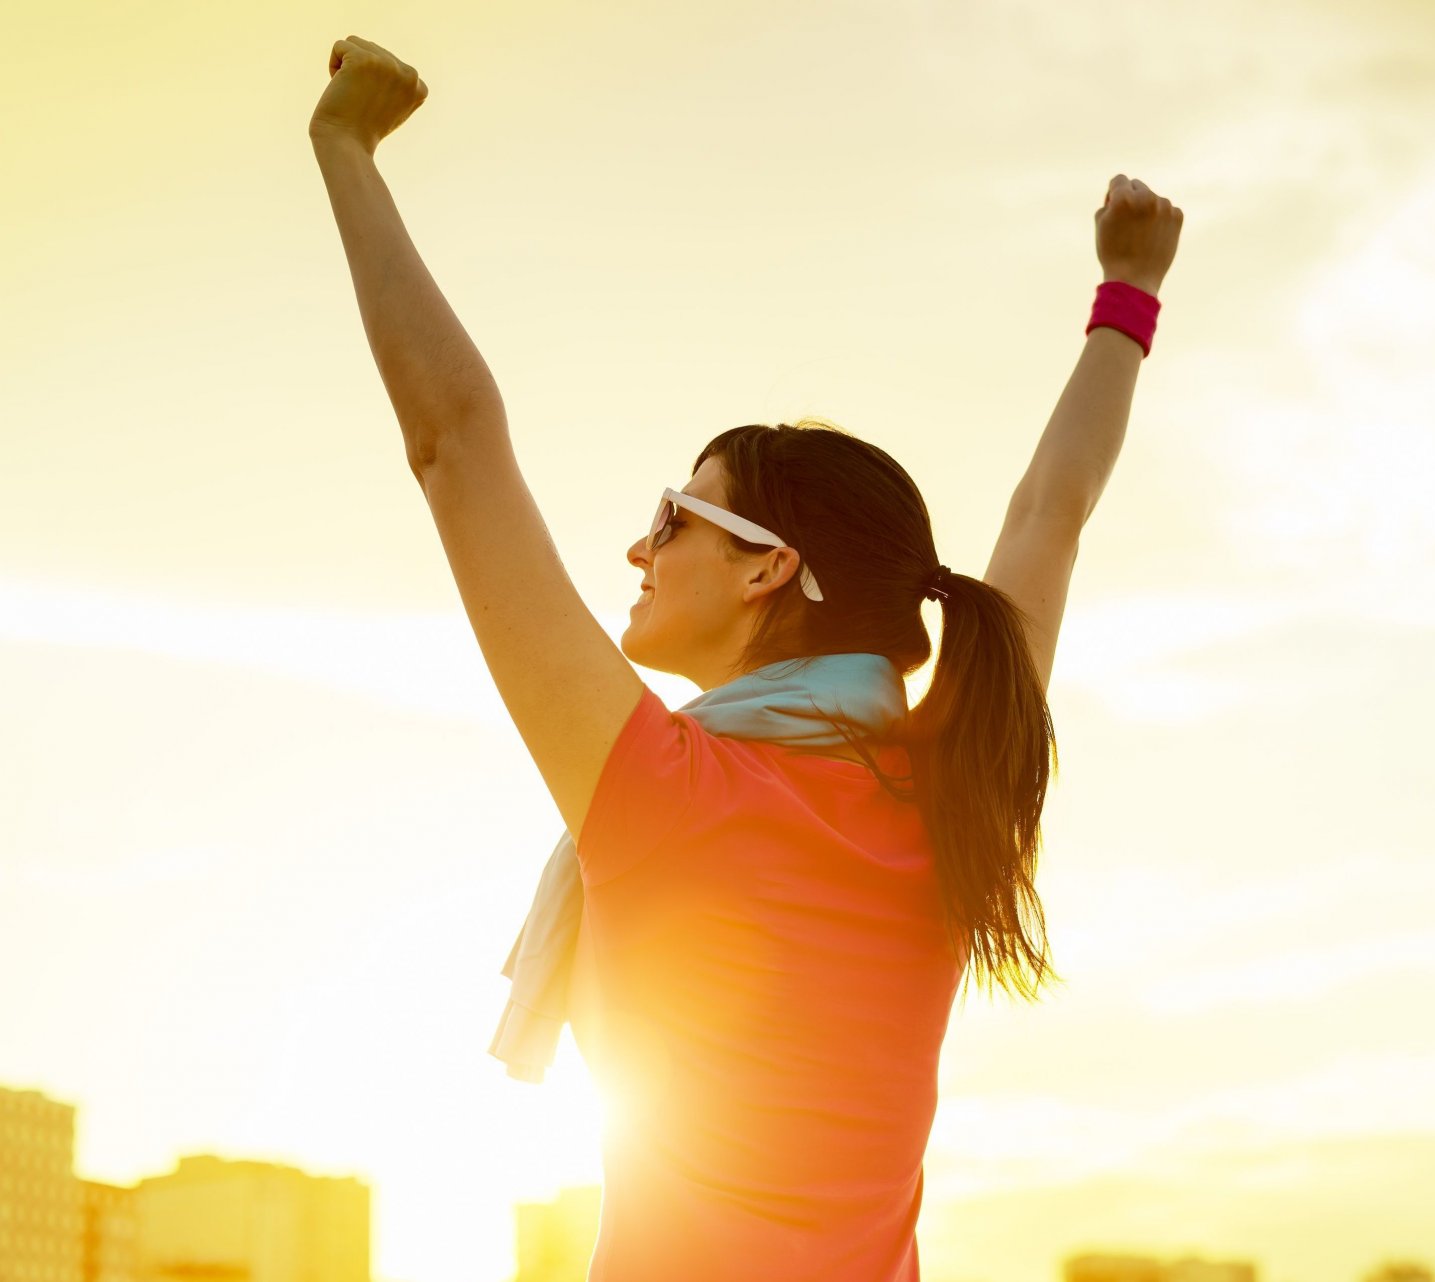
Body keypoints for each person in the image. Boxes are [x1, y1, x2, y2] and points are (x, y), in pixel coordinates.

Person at [308, 34, 1182, 1282]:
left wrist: (346, 151)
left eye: (676, 513)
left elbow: (453, 439)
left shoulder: (669, 797)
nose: (637, 546)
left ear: (772, 567)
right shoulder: (951, 788)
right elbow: (1053, 515)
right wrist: (1130, 295)